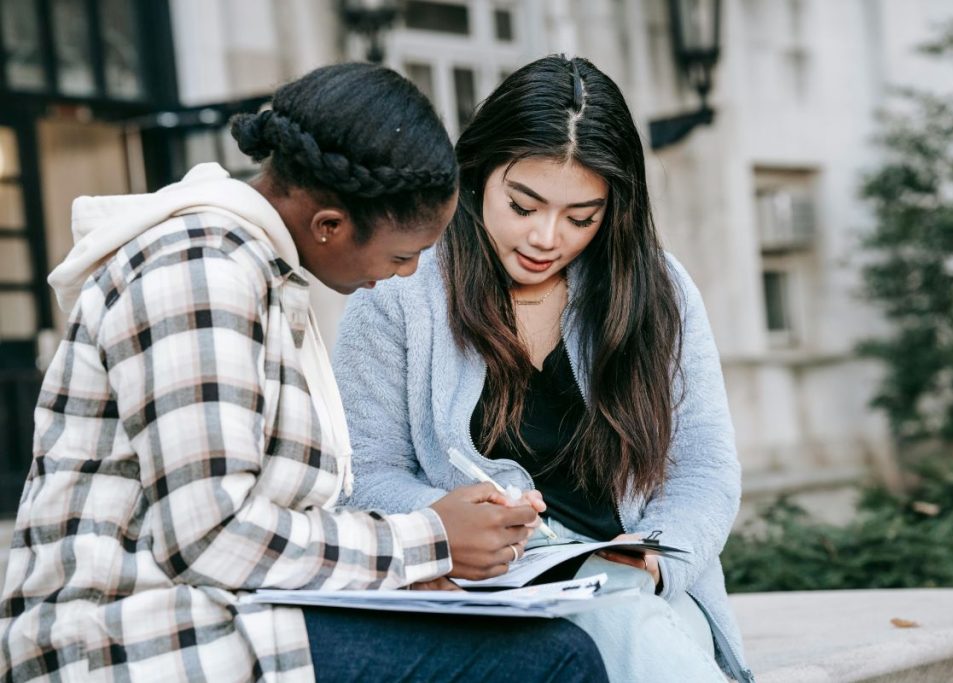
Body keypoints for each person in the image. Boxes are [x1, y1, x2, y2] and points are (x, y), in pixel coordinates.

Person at [0, 63, 608, 683]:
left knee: (529, 640)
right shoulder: (199, 274)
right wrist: (429, 539)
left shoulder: (254, 272)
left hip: (222, 620)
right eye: (403, 255)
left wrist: (425, 553)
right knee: (555, 659)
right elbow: (212, 537)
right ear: (329, 226)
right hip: (124, 642)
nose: (406, 275)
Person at [334, 55, 756, 683]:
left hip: (642, 594)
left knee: (619, 620)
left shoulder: (659, 290)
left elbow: (705, 468)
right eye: (523, 205)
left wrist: (654, 563)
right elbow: (363, 473)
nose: (546, 238)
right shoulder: (399, 288)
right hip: (483, 597)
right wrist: (452, 522)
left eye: (581, 217)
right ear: (478, 176)